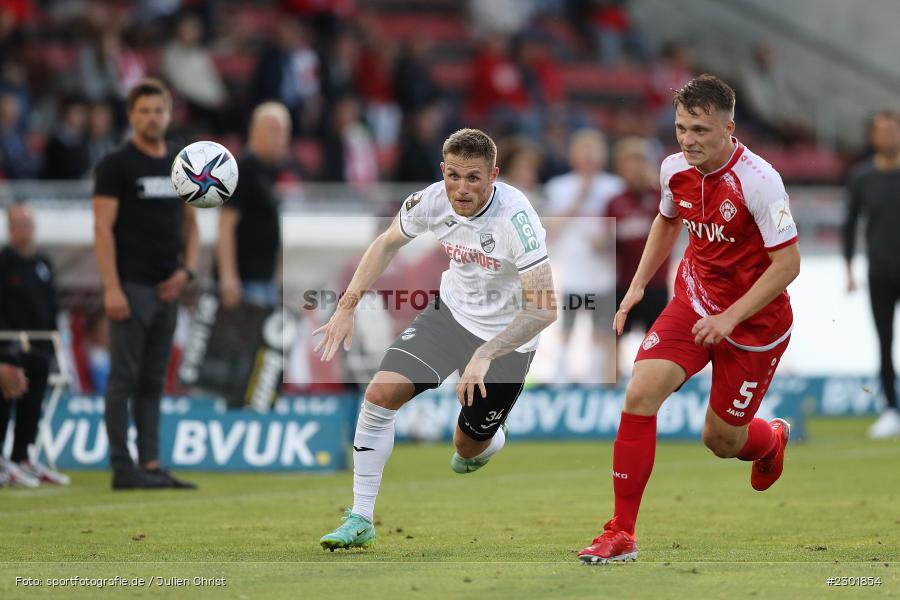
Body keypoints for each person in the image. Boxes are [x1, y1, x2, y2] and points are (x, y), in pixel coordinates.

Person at [577, 75, 800, 564]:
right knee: (640, 393)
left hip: (755, 325)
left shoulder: (759, 181)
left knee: (721, 441)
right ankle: (621, 532)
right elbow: (667, 220)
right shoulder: (673, 168)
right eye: (681, 128)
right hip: (693, 301)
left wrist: (730, 318)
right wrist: (638, 285)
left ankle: (771, 437)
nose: (688, 140)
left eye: (700, 130)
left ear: (729, 127)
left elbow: (788, 265)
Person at [314, 128, 557, 550]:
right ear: (443, 171)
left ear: (494, 175)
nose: (461, 189)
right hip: (450, 316)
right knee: (380, 393)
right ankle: (360, 517)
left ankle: (488, 438)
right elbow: (386, 243)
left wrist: (485, 353)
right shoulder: (431, 200)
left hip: (507, 338)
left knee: (466, 448)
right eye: (454, 176)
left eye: (474, 179)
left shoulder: (518, 219)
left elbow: (544, 308)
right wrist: (347, 305)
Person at [92, 78, 199, 490]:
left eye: (159, 110)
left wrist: (185, 272)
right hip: (131, 286)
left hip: (167, 287)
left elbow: (192, 226)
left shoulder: (180, 163)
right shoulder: (116, 165)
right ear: (132, 116)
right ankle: (123, 467)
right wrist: (111, 287)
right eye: (145, 111)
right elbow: (102, 229)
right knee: (124, 379)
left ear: (169, 114)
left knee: (154, 380)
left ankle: (151, 465)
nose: (153, 117)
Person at [544, 129, 623, 384]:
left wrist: (606, 241)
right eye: (583, 150)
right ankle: (561, 376)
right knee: (567, 327)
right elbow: (551, 230)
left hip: (605, 273)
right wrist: (580, 195)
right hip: (573, 273)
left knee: (602, 330)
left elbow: (622, 228)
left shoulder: (615, 186)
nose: (589, 156)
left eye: (594, 150)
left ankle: (597, 378)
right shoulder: (558, 187)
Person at [0, 201, 69, 486]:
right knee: (9, 372)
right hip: (7, 345)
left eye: (28, 223)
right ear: (10, 228)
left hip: (38, 345)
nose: (24, 229)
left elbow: (52, 307)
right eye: (19, 224)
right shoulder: (4, 262)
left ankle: (21, 455)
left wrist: (55, 345)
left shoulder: (43, 263)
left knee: (39, 368)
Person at [844, 109, 900, 439]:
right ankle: (891, 410)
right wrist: (849, 268)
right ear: (873, 137)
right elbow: (850, 225)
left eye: (893, 130)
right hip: (879, 271)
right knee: (884, 343)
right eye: (882, 130)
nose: (888, 136)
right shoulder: (862, 177)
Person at [216, 102, 291, 310]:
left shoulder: (268, 171)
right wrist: (228, 276)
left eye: (284, 132)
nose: (280, 139)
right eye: (274, 131)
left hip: (264, 280)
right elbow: (225, 225)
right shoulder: (243, 170)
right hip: (246, 281)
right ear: (254, 131)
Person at [605, 137, 669, 376]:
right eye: (626, 165)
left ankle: (652, 384)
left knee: (657, 341)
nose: (632, 170)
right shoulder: (615, 203)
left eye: (637, 163)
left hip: (656, 284)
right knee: (615, 337)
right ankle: (612, 386)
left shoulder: (662, 199)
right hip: (624, 283)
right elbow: (609, 243)